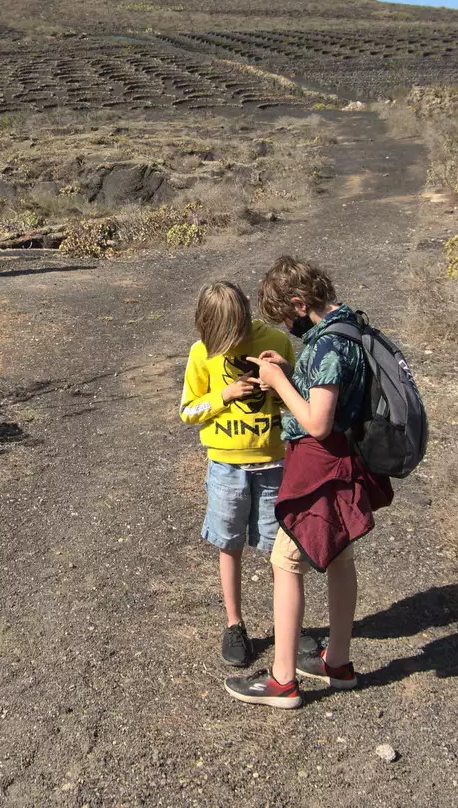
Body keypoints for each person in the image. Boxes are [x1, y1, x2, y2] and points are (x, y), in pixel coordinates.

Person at [225, 257, 392, 710]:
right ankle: (337, 661)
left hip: (320, 465)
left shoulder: (327, 346)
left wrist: (278, 381)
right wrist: (292, 372)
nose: (287, 323)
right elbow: (330, 395)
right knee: (340, 556)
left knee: (286, 562)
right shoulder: (349, 325)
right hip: (345, 460)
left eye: (286, 315)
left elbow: (317, 422)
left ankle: (282, 682)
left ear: (300, 302)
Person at [180, 281, 296, 668]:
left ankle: (287, 627)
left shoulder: (276, 340)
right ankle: (235, 623)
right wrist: (223, 396)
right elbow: (187, 411)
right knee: (228, 544)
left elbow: (297, 400)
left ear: (247, 311)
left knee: (281, 552)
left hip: (275, 463)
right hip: (225, 466)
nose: (232, 345)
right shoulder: (202, 352)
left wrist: (279, 381)